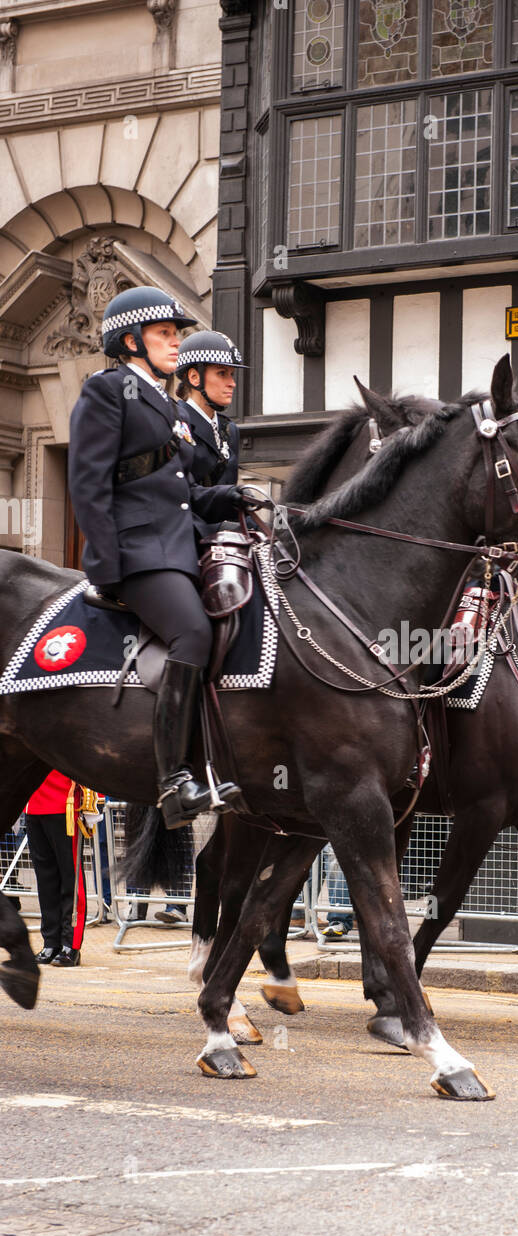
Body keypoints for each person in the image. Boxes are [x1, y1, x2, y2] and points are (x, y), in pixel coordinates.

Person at [67, 287, 260, 829]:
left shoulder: (167, 403)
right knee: (193, 634)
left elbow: (178, 490)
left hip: (175, 543)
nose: (177, 343)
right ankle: (173, 780)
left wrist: (233, 497)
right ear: (131, 341)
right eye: (165, 334)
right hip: (138, 552)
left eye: (178, 334)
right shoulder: (108, 391)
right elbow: (88, 484)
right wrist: (106, 566)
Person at [26, 770, 100, 966]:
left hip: (64, 803)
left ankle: (70, 943)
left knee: (70, 878)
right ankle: (51, 941)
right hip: (33, 804)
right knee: (45, 881)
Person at [176, 332, 245, 531]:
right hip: (187, 539)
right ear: (195, 377)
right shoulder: (174, 423)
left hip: (225, 542)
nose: (232, 383)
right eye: (222, 373)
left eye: (231, 374)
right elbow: (177, 499)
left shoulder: (230, 430)